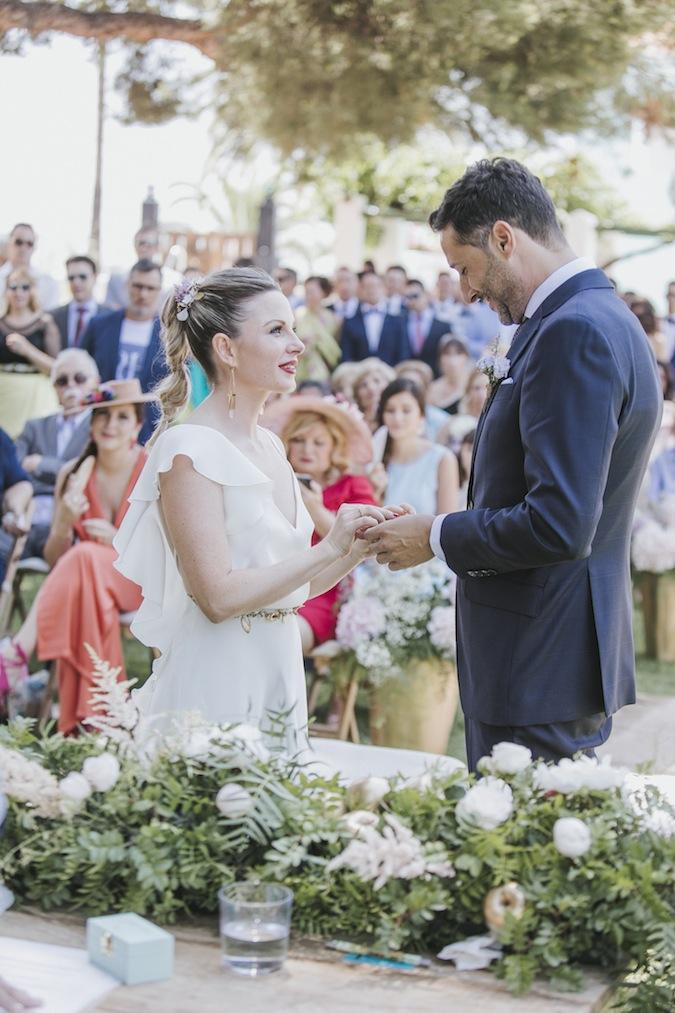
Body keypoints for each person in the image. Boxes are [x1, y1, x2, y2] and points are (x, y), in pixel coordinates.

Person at [363, 157, 662, 770]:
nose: (467, 292)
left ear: (504, 238)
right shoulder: (599, 316)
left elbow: (558, 523)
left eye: (464, 268)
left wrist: (435, 534)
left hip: (538, 659)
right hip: (547, 655)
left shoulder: (572, 332)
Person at [112, 268, 389, 753]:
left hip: (278, 670)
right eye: (276, 330)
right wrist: (329, 546)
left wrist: (355, 549)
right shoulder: (189, 450)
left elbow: (293, 586)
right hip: (218, 677)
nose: (298, 345)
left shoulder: (271, 446)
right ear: (227, 349)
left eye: (293, 328)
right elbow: (216, 596)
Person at [0, 380, 150, 734]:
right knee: (85, 580)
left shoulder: (151, 471)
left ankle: (17, 652)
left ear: (137, 426)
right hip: (90, 585)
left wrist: (117, 541)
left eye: (122, 417)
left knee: (84, 558)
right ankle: (102, 722)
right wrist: (64, 522)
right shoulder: (73, 473)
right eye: (102, 417)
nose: (110, 426)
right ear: (90, 424)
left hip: (140, 582)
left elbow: (166, 552)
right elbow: (56, 559)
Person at [263, 396, 377, 653]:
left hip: (325, 591)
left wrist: (313, 506)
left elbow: (363, 542)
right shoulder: (272, 482)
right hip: (273, 580)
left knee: (281, 636)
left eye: (318, 442)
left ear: (334, 447)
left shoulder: (353, 486)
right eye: (298, 440)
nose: (307, 449)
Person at [11, 349, 99, 559]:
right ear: (54, 388)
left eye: (80, 378)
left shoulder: (101, 429)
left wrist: (41, 464)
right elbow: (14, 469)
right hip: (25, 514)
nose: (71, 385)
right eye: (62, 381)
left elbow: (87, 473)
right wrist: (63, 469)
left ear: (95, 383)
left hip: (69, 522)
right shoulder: (34, 427)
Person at [81, 259, 165, 443]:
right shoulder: (100, 325)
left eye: (150, 288)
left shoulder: (169, 335)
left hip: (149, 430)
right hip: (100, 423)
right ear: (127, 285)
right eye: (138, 286)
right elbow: (80, 366)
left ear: (160, 291)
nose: (143, 294)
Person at [369, 378, 458, 516]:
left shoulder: (442, 458)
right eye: (390, 410)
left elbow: (448, 521)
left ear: (421, 415)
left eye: (406, 410)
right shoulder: (375, 458)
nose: (397, 418)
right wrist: (375, 492)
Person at [0, 268, 60, 437]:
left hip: (35, 399)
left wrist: (27, 350)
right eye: (13, 287)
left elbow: (56, 368)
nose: (19, 293)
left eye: (25, 287)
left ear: (33, 291)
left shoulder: (45, 323)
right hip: (4, 397)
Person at [340, 272, 408, 366]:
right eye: (367, 286)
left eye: (376, 286)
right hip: (359, 372)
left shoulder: (398, 321)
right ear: (359, 290)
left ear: (384, 289)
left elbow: (403, 353)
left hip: (391, 372)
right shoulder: (350, 322)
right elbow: (346, 356)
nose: (371, 290)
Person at [104, 226, 173, 311]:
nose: (144, 248)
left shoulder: (171, 281)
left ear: (157, 247)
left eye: (148, 244)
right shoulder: (117, 278)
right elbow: (109, 308)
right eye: (141, 243)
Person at [402, 279, 457, 375]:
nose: (412, 301)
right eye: (408, 297)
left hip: (435, 375)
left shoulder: (443, 325)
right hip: (406, 374)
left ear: (426, 295)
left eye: (415, 296)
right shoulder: (400, 322)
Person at [0, 223, 59, 311]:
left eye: (29, 244)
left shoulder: (47, 282)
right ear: (9, 243)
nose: (23, 248)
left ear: (34, 248)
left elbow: (50, 314)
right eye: (18, 242)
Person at [294, 276, 341, 384]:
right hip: (300, 371)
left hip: (325, 370)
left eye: (311, 292)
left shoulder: (333, 319)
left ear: (323, 293)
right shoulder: (297, 315)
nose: (308, 296)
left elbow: (335, 348)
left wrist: (316, 340)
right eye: (306, 292)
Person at [51, 256, 105, 349]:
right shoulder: (54, 316)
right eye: (71, 278)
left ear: (95, 277)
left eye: (82, 277)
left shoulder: (109, 316)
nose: (76, 283)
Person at [436, 366, 490, 452]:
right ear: (468, 391)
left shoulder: (494, 423)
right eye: (476, 388)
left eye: (486, 387)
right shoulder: (453, 422)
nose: (481, 394)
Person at [394, 360, 448, 440]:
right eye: (403, 385)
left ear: (426, 389)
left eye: (415, 386)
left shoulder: (442, 421)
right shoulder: (388, 417)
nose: (408, 391)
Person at [427, 334, 472, 414]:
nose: (452, 360)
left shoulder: (472, 385)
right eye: (447, 353)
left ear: (466, 356)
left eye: (458, 353)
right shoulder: (432, 389)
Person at [352, 358, 396, 433]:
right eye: (364, 385)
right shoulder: (353, 420)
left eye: (376, 381)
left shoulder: (396, 418)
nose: (371, 388)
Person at [630, 298, 668, 362]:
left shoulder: (659, 340)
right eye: (638, 317)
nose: (644, 321)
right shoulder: (629, 339)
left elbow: (663, 363)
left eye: (644, 316)